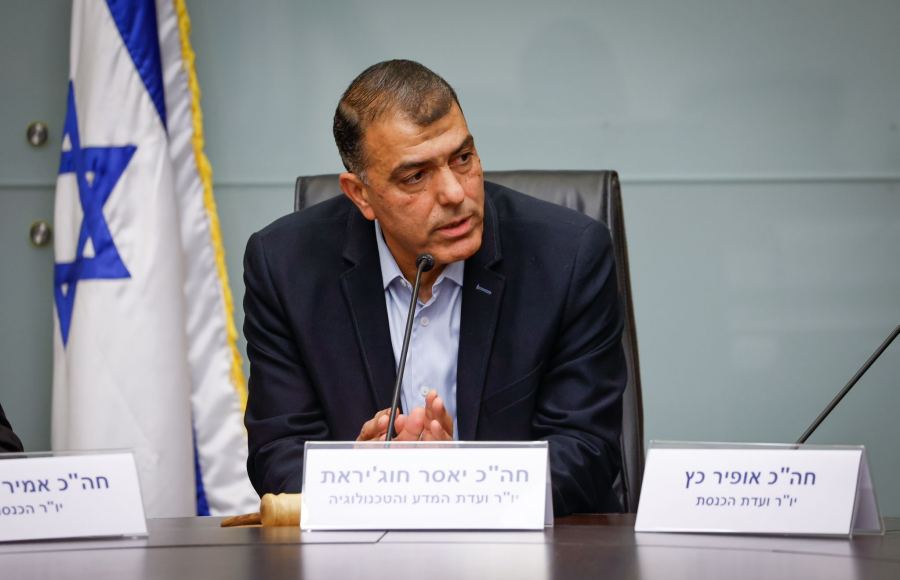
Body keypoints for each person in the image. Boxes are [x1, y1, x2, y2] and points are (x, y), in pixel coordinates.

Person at [243, 59, 627, 515]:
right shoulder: (284, 266)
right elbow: (278, 451)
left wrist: (452, 481)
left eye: (462, 158)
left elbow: (586, 452)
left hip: (524, 551)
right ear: (360, 194)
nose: (455, 194)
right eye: (415, 176)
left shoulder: (569, 256)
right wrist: (356, 479)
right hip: (359, 551)